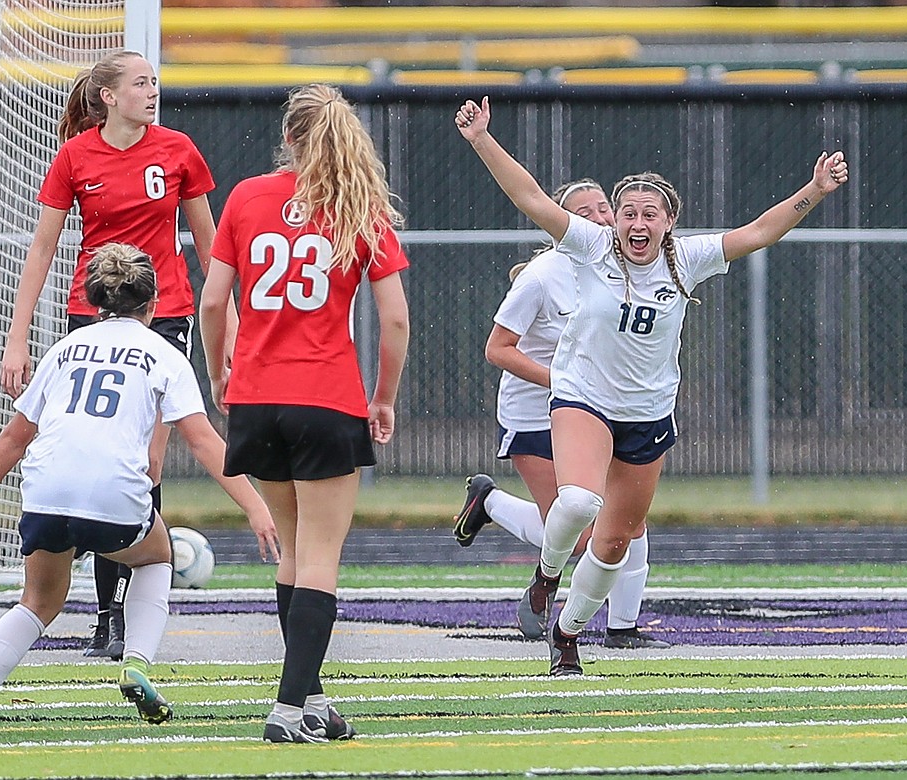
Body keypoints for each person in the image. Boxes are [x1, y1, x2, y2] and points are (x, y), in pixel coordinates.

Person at [455, 95, 848, 675]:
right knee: (579, 500)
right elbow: (530, 197)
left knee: (614, 544)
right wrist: (482, 139)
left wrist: (813, 189)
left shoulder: (685, 260)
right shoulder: (589, 248)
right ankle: (546, 573)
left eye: (649, 214)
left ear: (668, 221)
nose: (637, 223)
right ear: (614, 217)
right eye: (628, 211)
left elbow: (762, 231)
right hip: (583, 398)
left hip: (647, 413)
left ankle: (567, 634)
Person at [0, 244, 279, 736]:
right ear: (153, 306)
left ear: (93, 305)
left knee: (39, 602)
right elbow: (204, 443)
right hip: (112, 494)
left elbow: (14, 438)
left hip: (46, 489)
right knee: (156, 559)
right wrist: (257, 507)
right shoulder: (164, 355)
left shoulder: (65, 349)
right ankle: (135, 663)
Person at [0, 50, 249, 660]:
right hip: (91, 315)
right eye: (140, 83)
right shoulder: (75, 157)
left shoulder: (178, 150)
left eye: (155, 82)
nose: (152, 91)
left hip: (164, 318)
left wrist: (233, 331)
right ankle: (105, 615)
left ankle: (119, 618)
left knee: (146, 462)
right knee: (95, 449)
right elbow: (41, 251)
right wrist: (18, 333)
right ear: (108, 96)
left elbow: (214, 249)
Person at [199, 83, 410, 744]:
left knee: (293, 552)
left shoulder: (245, 196)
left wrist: (217, 370)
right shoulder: (357, 205)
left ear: (287, 138)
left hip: (257, 398)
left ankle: (311, 697)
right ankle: (288, 708)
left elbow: (212, 304)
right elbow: (397, 319)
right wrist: (383, 397)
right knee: (319, 556)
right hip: (326, 396)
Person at [452, 178, 670, 650]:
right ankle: (488, 502)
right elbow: (498, 349)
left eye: (603, 209)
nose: (599, 218)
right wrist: (568, 382)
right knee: (577, 531)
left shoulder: (630, 264)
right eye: (583, 211)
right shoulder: (542, 275)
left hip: (602, 409)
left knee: (626, 523)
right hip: (536, 412)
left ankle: (622, 628)